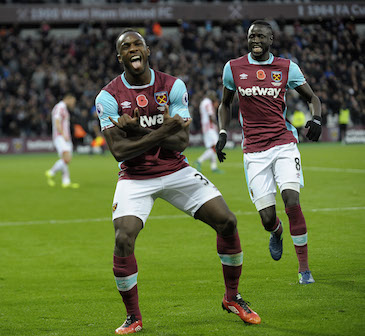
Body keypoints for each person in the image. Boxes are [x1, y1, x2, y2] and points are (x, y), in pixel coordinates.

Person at [95, 29, 261, 335]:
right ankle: (134, 318)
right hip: (135, 177)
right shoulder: (108, 97)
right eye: (125, 47)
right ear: (119, 57)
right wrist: (163, 128)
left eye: (137, 44)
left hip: (176, 170)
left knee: (227, 221)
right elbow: (118, 151)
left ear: (147, 50)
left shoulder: (172, 85)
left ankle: (232, 297)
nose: (133, 50)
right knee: (123, 239)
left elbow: (182, 141)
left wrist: (135, 132)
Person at [215, 20, 322, 285]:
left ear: (271, 39)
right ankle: (276, 231)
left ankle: (304, 269)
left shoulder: (287, 68)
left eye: (261, 36)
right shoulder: (233, 68)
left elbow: (312, 98)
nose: (256, 40)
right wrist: (222, 132)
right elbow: (225, 104)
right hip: (253, 150)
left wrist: (316, 118)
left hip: (284, 142)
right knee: (267, 217)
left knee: (292, 201)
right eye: (252, 36)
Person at [45, 93, 79, 188]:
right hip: (60, 137)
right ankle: (51, 171)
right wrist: (63, 134)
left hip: (65, 137)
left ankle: (66, 182)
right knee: (66, 158)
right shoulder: (59, 107)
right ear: (69, 99)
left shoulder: (63, 108)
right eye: (73, 101)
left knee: (65, 159)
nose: (73, 104)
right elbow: (57, 121)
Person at [194, 91, 223, 173]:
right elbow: (210, 115)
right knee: (216, 146)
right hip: (210, 127)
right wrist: (218, 124)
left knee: (212, 147)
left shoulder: (203, 103)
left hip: (205, 126)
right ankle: (199, 160)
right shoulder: (208, 103)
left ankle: (214, 167)